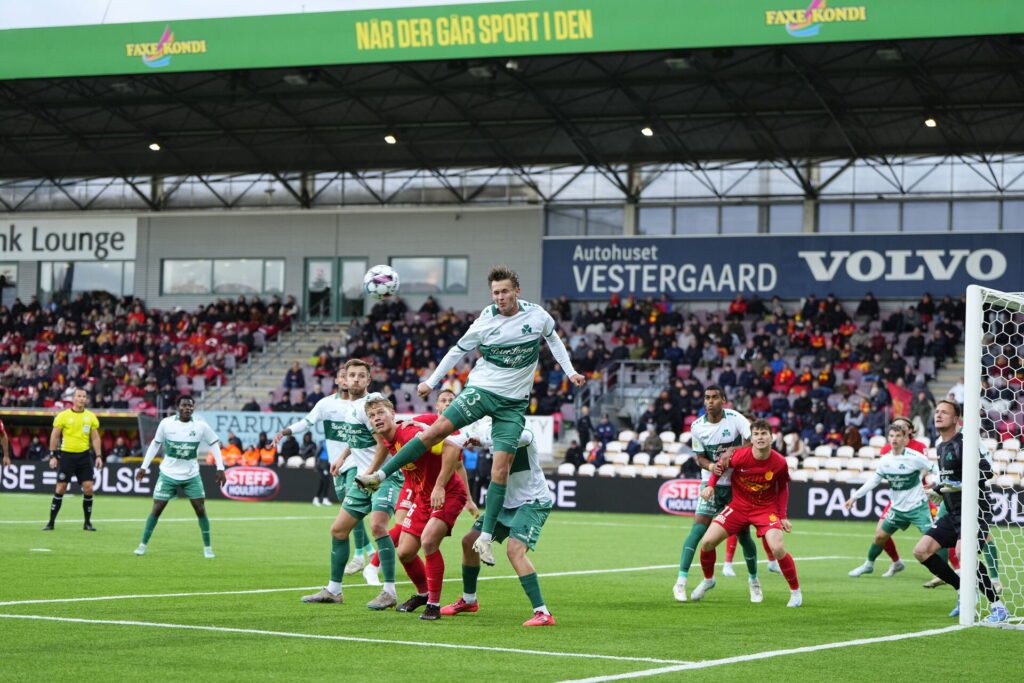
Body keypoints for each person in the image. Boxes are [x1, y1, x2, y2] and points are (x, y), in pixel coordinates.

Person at [357, 266, 584, 568]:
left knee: (501, 469)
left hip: (513, 404)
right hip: (481, 390)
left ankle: (486, 538)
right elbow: (456, 350)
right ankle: (380, 476)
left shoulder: (537, 316)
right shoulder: (486, 320)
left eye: (505, 291)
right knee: (436, 431)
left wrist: (571, 372)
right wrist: (432, 381)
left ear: (517, 291)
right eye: (495, 293)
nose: (500, 297)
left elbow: (554, 340)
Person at [274, 360, 401, 609]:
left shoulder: (371, 405)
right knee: (338, 530)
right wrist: (343, 457)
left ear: (368, 380)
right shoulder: (348, 408)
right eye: (351, 375)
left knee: (377, 527)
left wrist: (371, 472)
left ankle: (389, 591)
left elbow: (383, 443)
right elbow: (355, 436)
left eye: (360, 376)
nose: (354, 379)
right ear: (343, 379)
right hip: (364, 477)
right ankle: (334, 590)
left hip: (383, 475)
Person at [359, 395, 468, 620]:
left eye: (381, 413)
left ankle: (434, 605)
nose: (377, 418)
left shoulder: (408, 432)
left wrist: (439, 485)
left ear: (393, 415)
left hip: (447, 492)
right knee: (406, 552)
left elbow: (452, 442)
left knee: (428, 542)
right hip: (421, 496)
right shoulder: (388, 440)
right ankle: (423, 594)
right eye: (372, 415)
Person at [442, 422, 556, 626]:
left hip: (532, 501)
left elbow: (519, 438)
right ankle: (469, 601)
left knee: (514, 551)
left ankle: (543, 613)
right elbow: (454, 439)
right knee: (469, 542)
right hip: (505, 502)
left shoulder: (523, 431)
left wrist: (484, 441)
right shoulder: (488, 430)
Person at [911, 400, 1008, 623]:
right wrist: (937, 489)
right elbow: (949, 479)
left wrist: (961, 485)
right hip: (953, 512)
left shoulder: (964, 442)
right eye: (937, 411)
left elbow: (986, 472)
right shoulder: (941, 445)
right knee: (921, 550)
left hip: (975, 510)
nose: (938, 415)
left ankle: (998, 607)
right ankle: (963, 590)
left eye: (945, 412)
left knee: (964, 553)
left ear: (956, 419)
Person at [674, 385, 767, 603]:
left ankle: (754, 581)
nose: (710, 401)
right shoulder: (697, 426)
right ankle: (681, 581)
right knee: (697, 531)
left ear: (723, 400)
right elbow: (700, 458)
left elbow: (750, 441)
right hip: (711, 484)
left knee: (743, 535)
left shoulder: (736, 418)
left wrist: (732, 451)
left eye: (715, 397)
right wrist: (710, 467)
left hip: (736, 485)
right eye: (707, 398)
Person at [696, 419, 802, 607]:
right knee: (707, 542)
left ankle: (795, 592)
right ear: (751, 438)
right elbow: (719, 467)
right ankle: (709, 580)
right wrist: (710, 486)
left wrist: (783, 515)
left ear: (772, 437)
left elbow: (783, 488)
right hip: (738, 507)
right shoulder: (740, 456)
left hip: (765, 509)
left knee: (777, 548)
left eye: (764, 434)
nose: (760, 437)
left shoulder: (779, 462)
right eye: (756, 434)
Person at [133, 396, 226, 557]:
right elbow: (155, 444)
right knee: (157, 509)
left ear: (193, 408)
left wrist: (220, 467)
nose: (187, 408)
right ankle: (142, 545)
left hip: (191, 475)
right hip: (168, 474)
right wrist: (143, 467)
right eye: (184, 405)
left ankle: (208, 548)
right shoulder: (166, 424)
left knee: (200, 509)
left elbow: (214, 443)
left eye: (190, 406)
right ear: (178, 407)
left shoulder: (200, 426)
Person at [844, 423, 937, 578]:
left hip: (918, 508)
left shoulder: (915, 457)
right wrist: (855, 497)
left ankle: (942, 574)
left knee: (934, 538)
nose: (894, 439)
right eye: (892, 436)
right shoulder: (885, 460)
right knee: (880, 536)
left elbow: (935, 468)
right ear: (888, 438)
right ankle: (868, 564)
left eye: (898, 436)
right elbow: (873, 481)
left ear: (905, 439)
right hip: (897, 509)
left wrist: (937, 485)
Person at [45, 388, 103, 531]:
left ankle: (87, 523)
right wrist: (53, 455)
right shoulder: (63, 416)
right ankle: (51, 522)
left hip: (84, 456)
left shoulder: (90, 417)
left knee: (88, 488)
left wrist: (99, 456)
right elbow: (54, 436)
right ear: (73, 399)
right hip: (67, 456)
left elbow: (95, 437)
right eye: (79, 396)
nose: (82, 398)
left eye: (84, 396)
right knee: (61, 488)